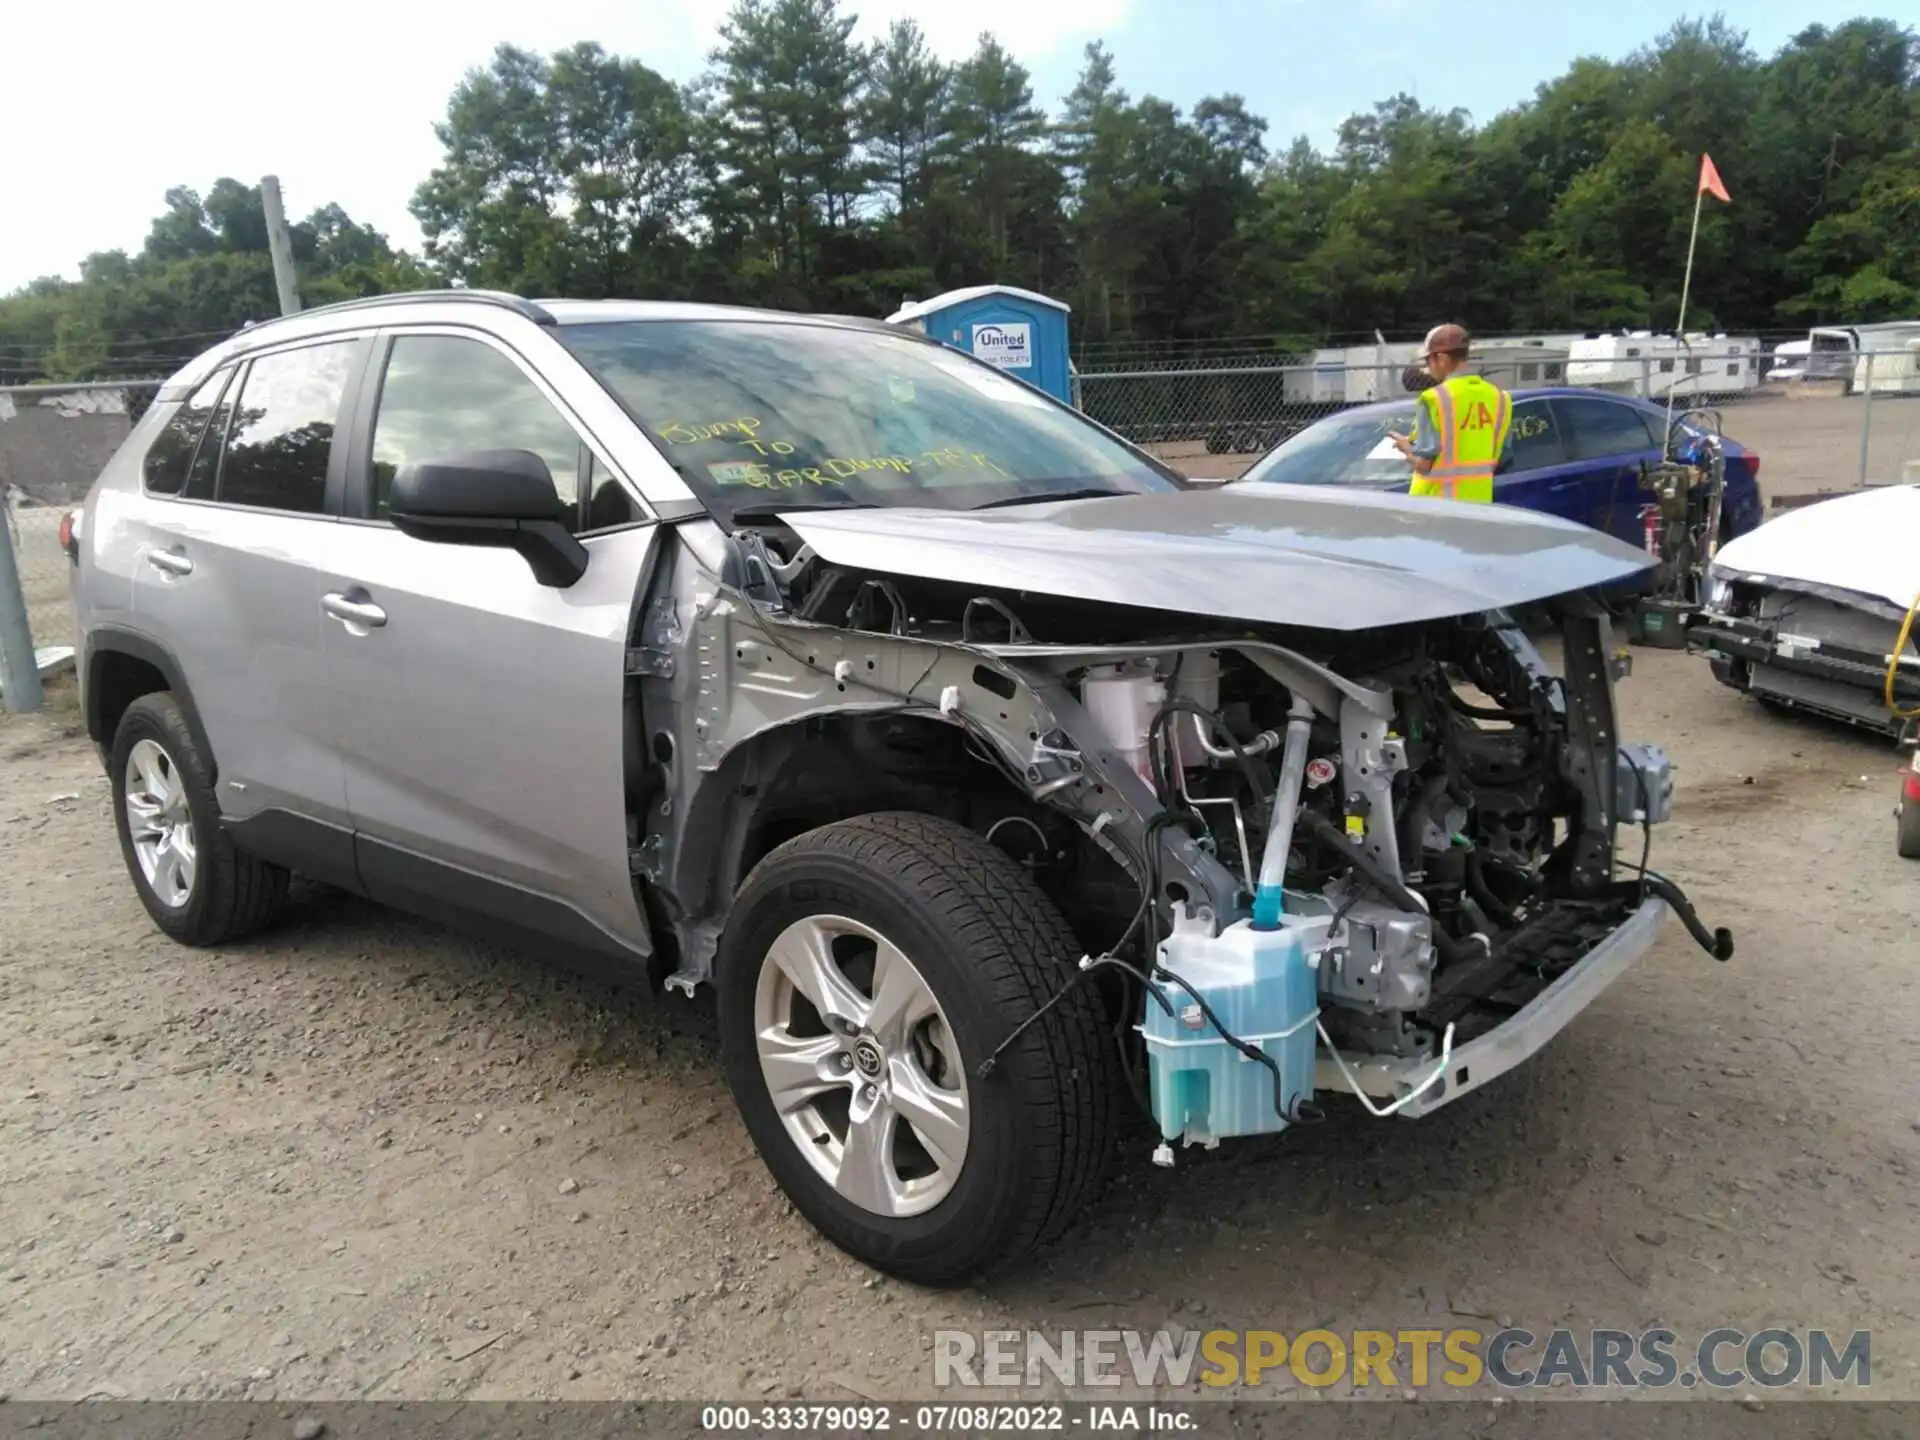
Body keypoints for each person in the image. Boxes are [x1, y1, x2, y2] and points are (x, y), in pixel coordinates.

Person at [1389, 324, 1512, 502]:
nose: (1428, 367)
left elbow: (1425, 466)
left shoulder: (1433, 399)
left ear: (1441, 358)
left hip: (1436, 506)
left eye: (1428, 360)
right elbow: (1504, 457)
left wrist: (1407, 449)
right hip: (1480, 504)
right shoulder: (1500, 398)